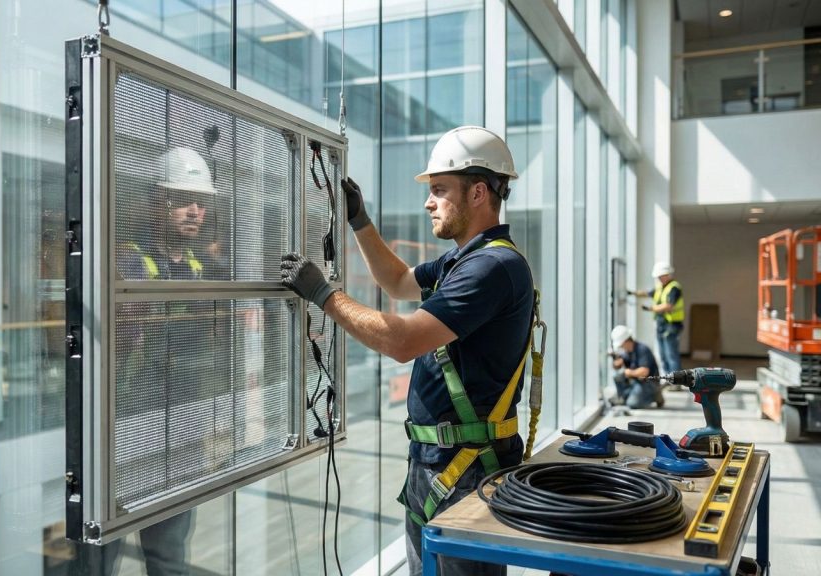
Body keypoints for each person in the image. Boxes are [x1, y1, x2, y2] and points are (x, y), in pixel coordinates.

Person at [280, 126, 535, 576]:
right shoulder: (463, 260)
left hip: (467, 471)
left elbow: (403, 341)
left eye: (438, 190)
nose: (428, 201)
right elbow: (398, 281)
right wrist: (360, 220)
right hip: (441, 465)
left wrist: (324, 294)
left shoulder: (491, 267)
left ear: (478, 193)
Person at [108, 146, 228, 576]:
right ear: (159, 202)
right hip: (127, 426)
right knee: (105, 548)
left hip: (180, 425)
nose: (195, 210)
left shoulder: (199, 268)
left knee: (170, 554)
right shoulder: (129, 262)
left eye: (202, 202)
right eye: (183, 200)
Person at [628, 262, 684, 375]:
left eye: (661, 276)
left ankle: (676, 381)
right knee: (663, 354)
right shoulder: (661, 288)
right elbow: (647, 293)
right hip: (662, 325)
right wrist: (632, 293)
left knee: (671, 354)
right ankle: (669, 379)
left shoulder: (674, 288)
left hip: (671, 325)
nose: (659, 279)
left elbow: (668, 306)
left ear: (667, 274)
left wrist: (650, 308)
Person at [609, 324, 662, 409]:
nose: (621, 347)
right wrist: (616, 364)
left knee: (633, 404)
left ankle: (655, 396)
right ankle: (625, 397)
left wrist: (630, 373)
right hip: (637, 382)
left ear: (626, 341)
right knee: (618, 376)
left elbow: (644, 372)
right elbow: (619, 365)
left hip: (648, 383)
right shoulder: (627, 352)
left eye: (621, 345)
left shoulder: (642, 349)